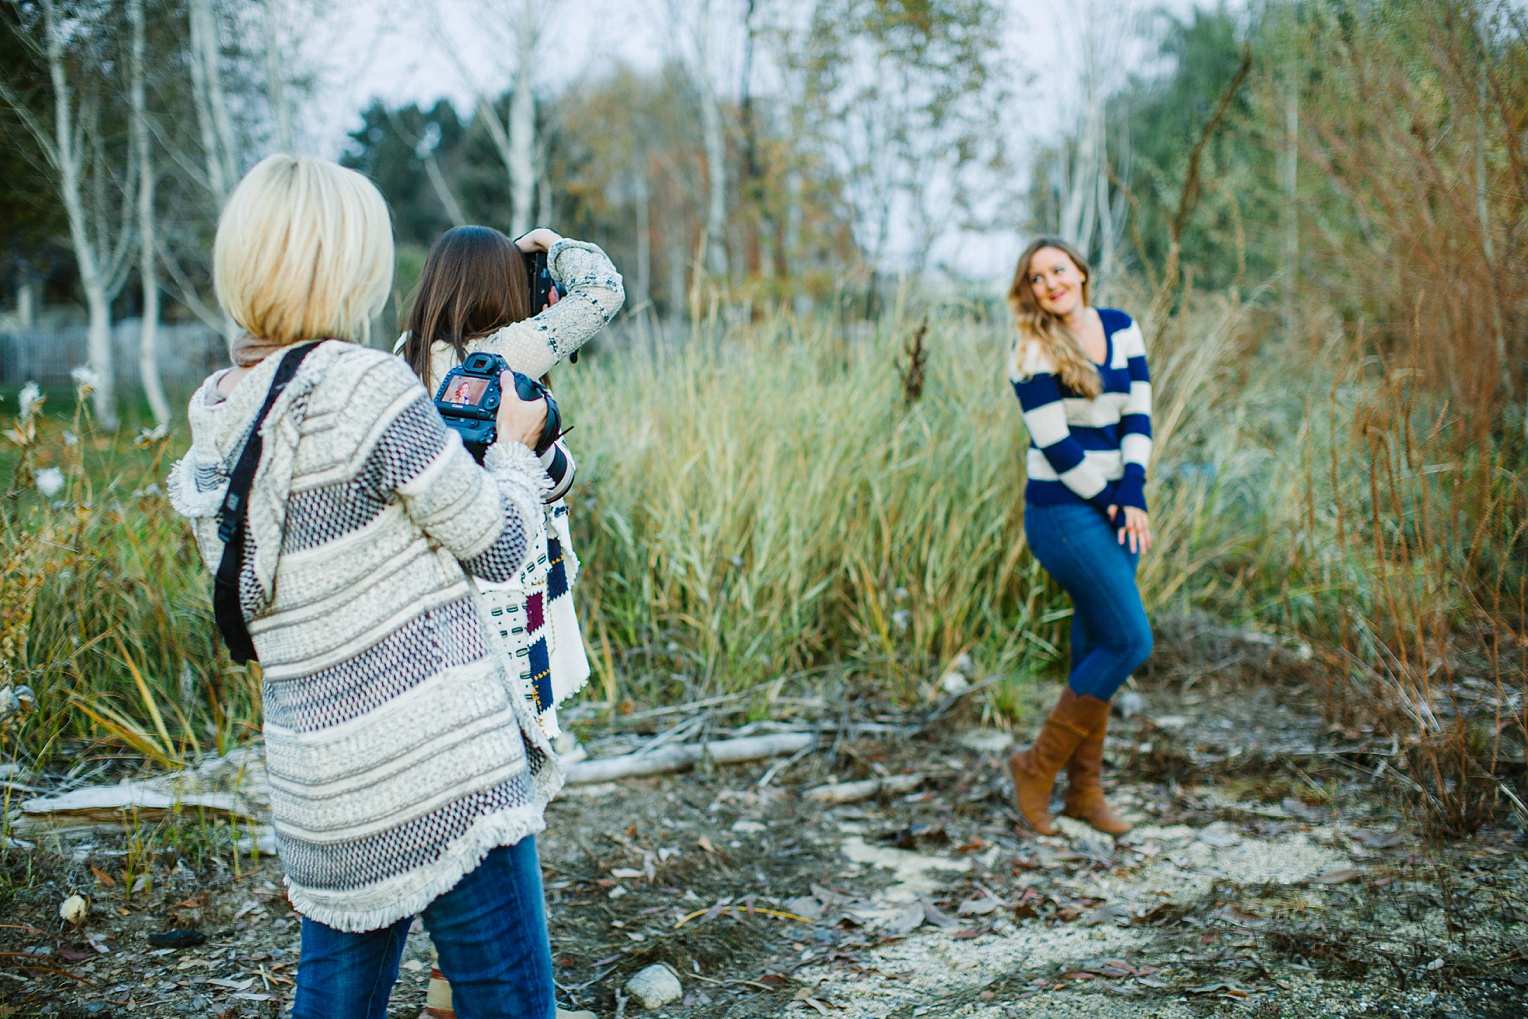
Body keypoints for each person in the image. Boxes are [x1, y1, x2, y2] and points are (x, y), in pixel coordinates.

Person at [168, 154, 562, 1019]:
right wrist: (515, 452)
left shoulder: (220, 413)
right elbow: (497, 546)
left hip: (324, 793)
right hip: (441, 774)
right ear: (343, 265)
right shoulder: (363, 385)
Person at [397, 224, 624, 740]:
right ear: (501, 286)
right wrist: (548, 243)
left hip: (433, 564)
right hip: (505, 555)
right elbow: (604, 288)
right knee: (517, 717)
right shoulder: (508, 350)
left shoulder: (404, 356)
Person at [1004, 236, 1154, 838]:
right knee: (1129, 641)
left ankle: (1084, 793)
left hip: (1120, 508)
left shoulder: (1121, 328)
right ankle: (1035, 769)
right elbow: (1057, 447)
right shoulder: (1031, 350)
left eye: (1057, 269)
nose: (1050, 283)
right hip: (1063, 512)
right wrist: (1114, 500)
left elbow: (1137, 415)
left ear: (1081, 272)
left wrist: (1134, 490)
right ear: (1030, 291)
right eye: (1036, 278)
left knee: (1097, 644)